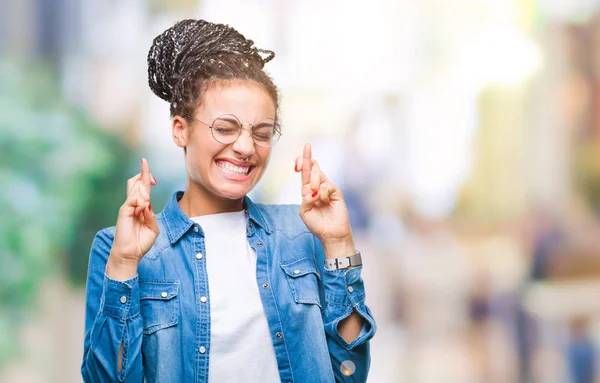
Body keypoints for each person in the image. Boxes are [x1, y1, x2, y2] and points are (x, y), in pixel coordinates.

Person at [81, 19, 376, 383]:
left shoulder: (301, 234)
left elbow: (350, 372)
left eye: (262, 133)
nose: (245, 147)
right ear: (180, 129)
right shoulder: (118, 248)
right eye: (225, 128)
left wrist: (338, 244)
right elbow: (108, 378)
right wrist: (125, 264)